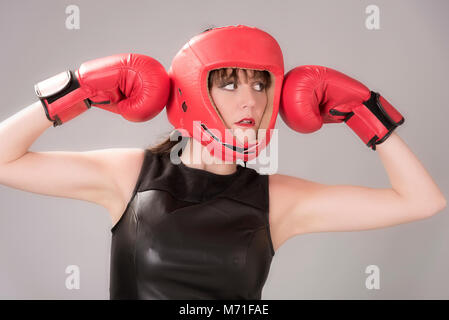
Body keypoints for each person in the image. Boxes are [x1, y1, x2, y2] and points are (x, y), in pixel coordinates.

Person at [0, 25, 446, 300]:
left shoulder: (277, 199)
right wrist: (75, 89)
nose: (250, 99)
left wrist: (366, 112)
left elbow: (422, 200)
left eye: (260, 84)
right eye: (229, 84)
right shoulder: (131, 176)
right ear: (193, 91)